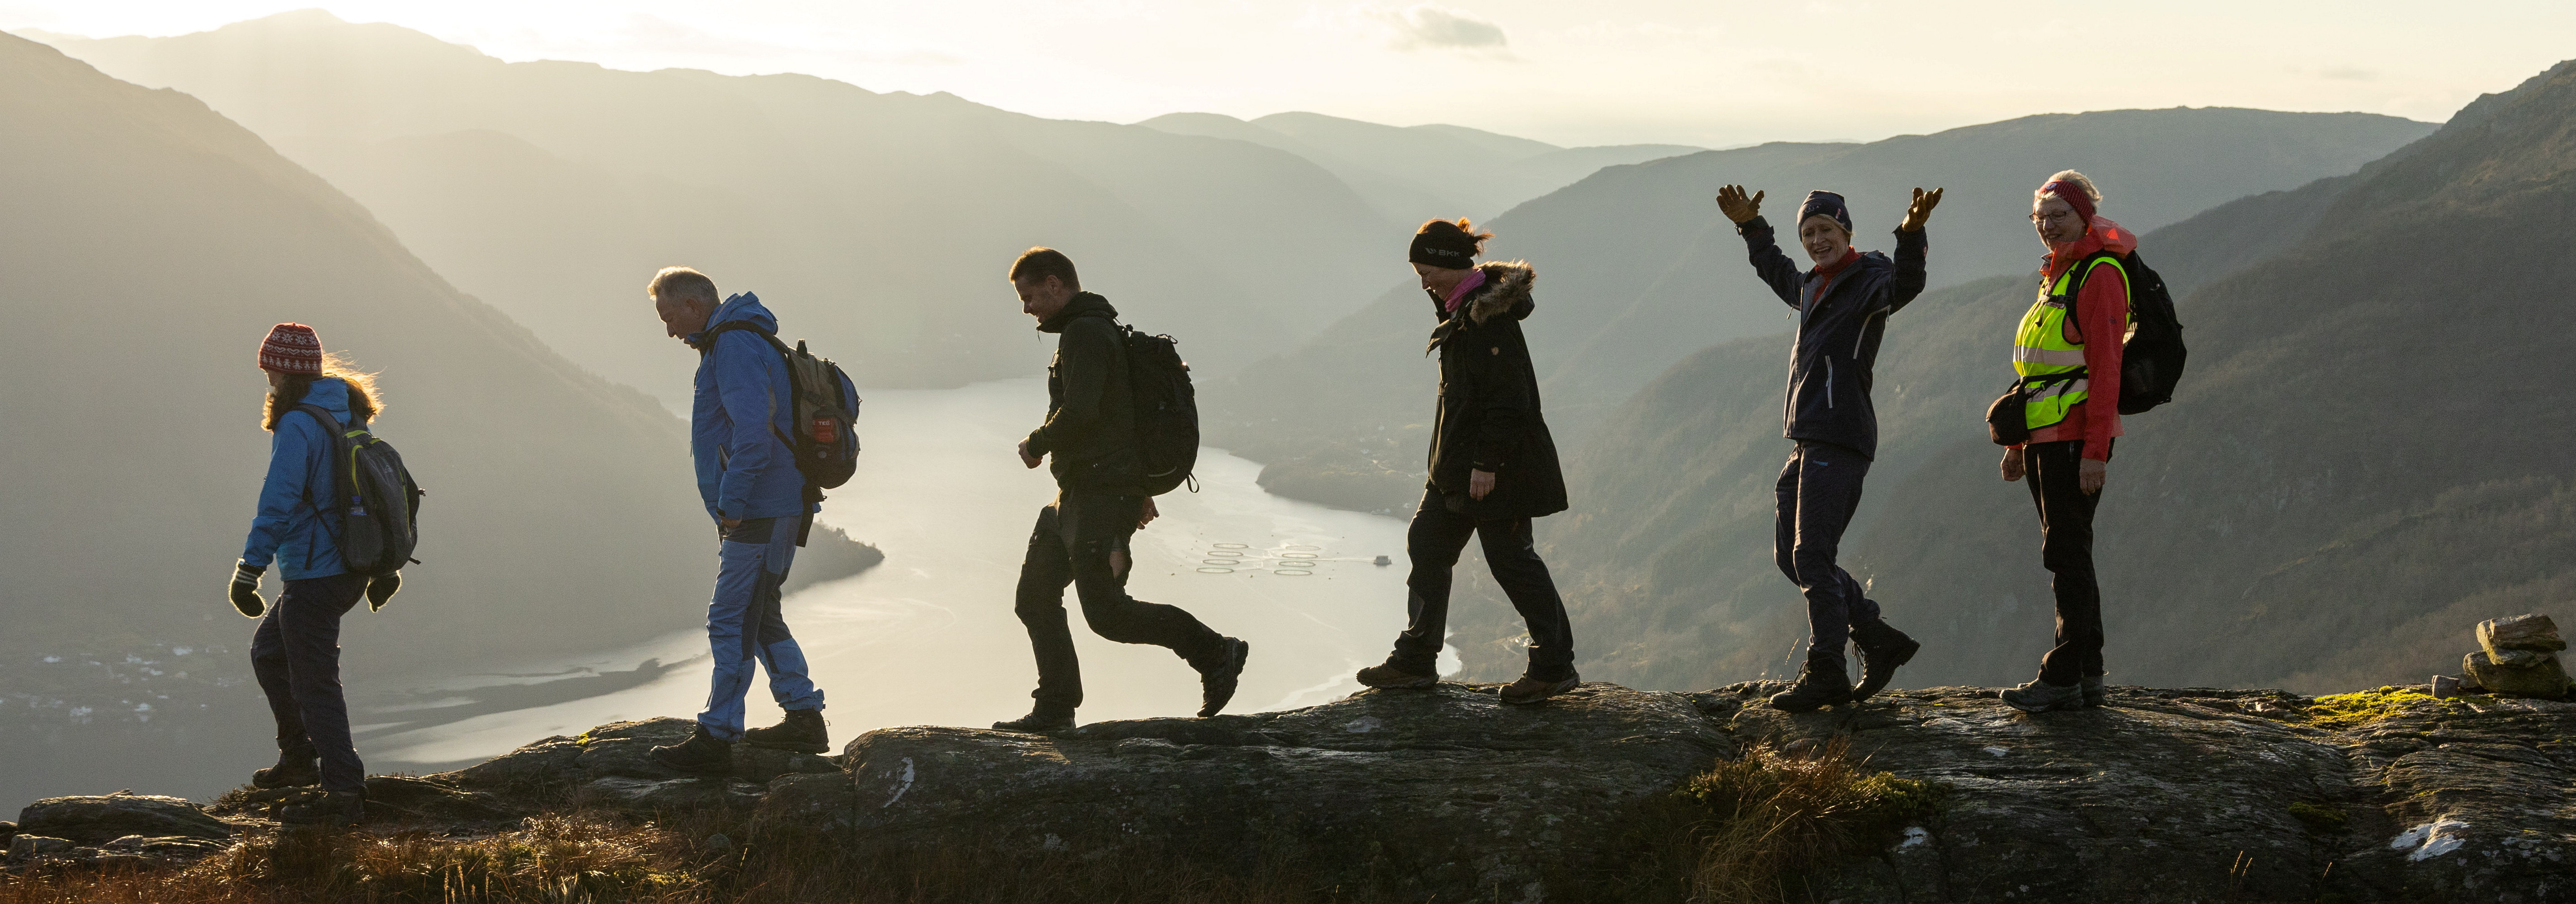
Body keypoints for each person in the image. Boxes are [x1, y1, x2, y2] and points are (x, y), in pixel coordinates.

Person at [994, 247, 1249, 732]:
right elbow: (1117, 416)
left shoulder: (1085, 333)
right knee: (1034, 597)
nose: (1026, 308)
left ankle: (1216, 651)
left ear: (1053, 284)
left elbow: (1082, 411)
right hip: (1078, 493)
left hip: (1099, 495)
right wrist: (1136, 484)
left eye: (1028, 297)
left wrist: (1037, 443)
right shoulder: (1090, 328)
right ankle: (1055, 705)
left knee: (1108, 614)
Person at [1713, 184, 1943, 712]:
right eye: (1808, 233)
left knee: (1812, 555)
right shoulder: (1812, 286)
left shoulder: (1871, 282)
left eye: (1827, 231)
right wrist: (1751, 226)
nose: (1817, 240)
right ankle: (1875, 634)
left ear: (1846, 232)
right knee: (1791, 557)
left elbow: (1908, 282)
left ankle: (1826, 669)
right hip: (1808, 437)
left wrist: (1911, 232)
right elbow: (1775, 270)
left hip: (1840, 435)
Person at [1352, 219, 1581, 706]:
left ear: (1454, 266)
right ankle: (1415, 658)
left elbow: (1509, 401)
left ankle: (1553, 665)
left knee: (1511, 561)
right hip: (1454, 468)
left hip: (1495, 470)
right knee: (1428, 542)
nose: (1423, 282)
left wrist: (1486, 463)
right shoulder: (1464, 309)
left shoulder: (1488, 321)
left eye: (1428, 270)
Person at [645, 268, 836, 772]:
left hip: (760, 508)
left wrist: (731, 504)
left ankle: (717, 733)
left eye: (669, 316)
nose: (668, 330)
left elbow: (752, 434)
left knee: (729, 617)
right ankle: (803, 715)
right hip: (774, 504)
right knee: (760, 612)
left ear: (692, 304)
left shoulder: (731, 345)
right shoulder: (744, 338)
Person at [231, 322, 398, 827]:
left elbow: (278, 503)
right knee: (268, 651)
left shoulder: (299, 424)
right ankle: (299, 757)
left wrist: (248, 570)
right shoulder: (344, 411)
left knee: (314, 679)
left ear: (283, 370)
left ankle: (343, 788)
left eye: (270, 369)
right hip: (349, 566)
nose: (267, 379)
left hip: (316, 570)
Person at [1998, 171, 2135, 714]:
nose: (2049, 225)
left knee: (2066, 556)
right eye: (2041, 217)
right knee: (2070, 553)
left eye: (2059, 214)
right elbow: (2036, 371)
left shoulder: (2098, 275)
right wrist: (2015, 444)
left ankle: (2060, 678)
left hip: (2075, 440)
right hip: (2045, 438)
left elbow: (2106, 372)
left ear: (2084, 215)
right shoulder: (2057, 275)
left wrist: (2095, 451)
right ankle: (2088, 673)